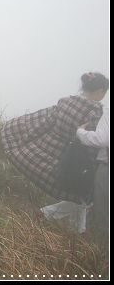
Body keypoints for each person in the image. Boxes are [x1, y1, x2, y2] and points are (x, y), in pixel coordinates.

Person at [2, 73, 107, 206]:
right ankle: (52, 215)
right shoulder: (96, 115)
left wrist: (22, 140)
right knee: (81, 198)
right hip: (68, 165)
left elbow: (42, 123)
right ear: (100, 91)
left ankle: (47, 213)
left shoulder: (65, 102)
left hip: (44, 152)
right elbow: (92, 149)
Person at [77, 105, 108, 250]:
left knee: (103, 215)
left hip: (107, 168)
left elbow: (101, 139)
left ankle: (102, 255)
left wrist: (80, 132)